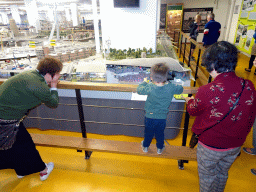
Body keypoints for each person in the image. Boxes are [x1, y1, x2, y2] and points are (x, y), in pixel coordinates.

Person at [184, 41, 256, 192]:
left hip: (211, 145)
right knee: (222, 173)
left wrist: (189, 101)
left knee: (207, 176)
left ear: (213, 64)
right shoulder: (248, 85)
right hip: (236, 144)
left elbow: (193, 110)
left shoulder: (208, 90)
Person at [0, 57, 63, 181]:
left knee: (14, 146)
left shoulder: (29, 74)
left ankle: (21, 171)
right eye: (58, 73)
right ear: (52, 74)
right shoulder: (40, 86)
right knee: (25, 146)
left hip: (6, 116)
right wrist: (54, 85)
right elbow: (53, 103)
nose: (59, 75)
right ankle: (43, 171)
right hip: (7, 120)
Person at [137, 63, 183, 154]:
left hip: (149, 116)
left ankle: (145, 146)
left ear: (151, 78)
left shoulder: (150, 86)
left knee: (148, 133)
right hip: (162, 117)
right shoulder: (170, 87)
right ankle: (160, 148)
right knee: (160, 133)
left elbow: (139, 90)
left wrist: (144, 82)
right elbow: (180, 89)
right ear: (166, 77)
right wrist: (169, 82)